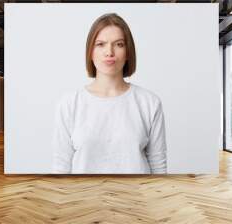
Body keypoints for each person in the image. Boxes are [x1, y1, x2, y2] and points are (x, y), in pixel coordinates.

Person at [52, 13, 167, 174]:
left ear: (128, 52)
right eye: (100, 44)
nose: (109, 52)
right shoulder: (69, 104)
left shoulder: (149, 103)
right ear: (90, 52)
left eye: (119, 44)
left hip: (137, 197)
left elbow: (158, 167)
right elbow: (61, 167)